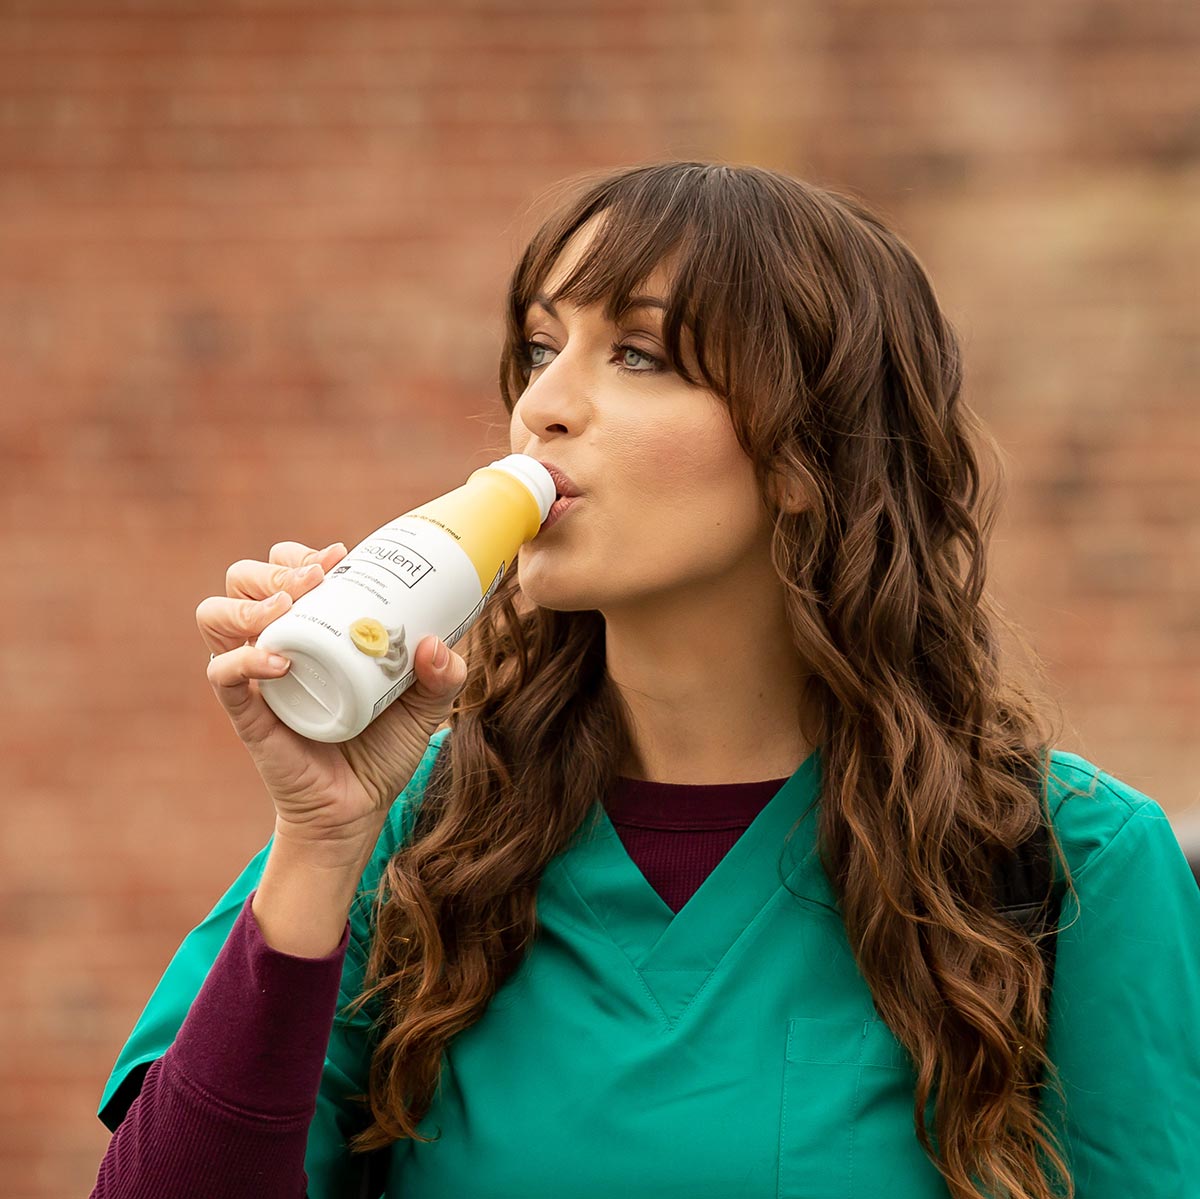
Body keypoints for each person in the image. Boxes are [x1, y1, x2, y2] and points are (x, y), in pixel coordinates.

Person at [92, 162, 1200, 1199]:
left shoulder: (1066, 864)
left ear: (809, 459)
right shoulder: (412, 831)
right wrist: (317, 835)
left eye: (638, 354)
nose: (543, 406)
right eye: (538, 347)